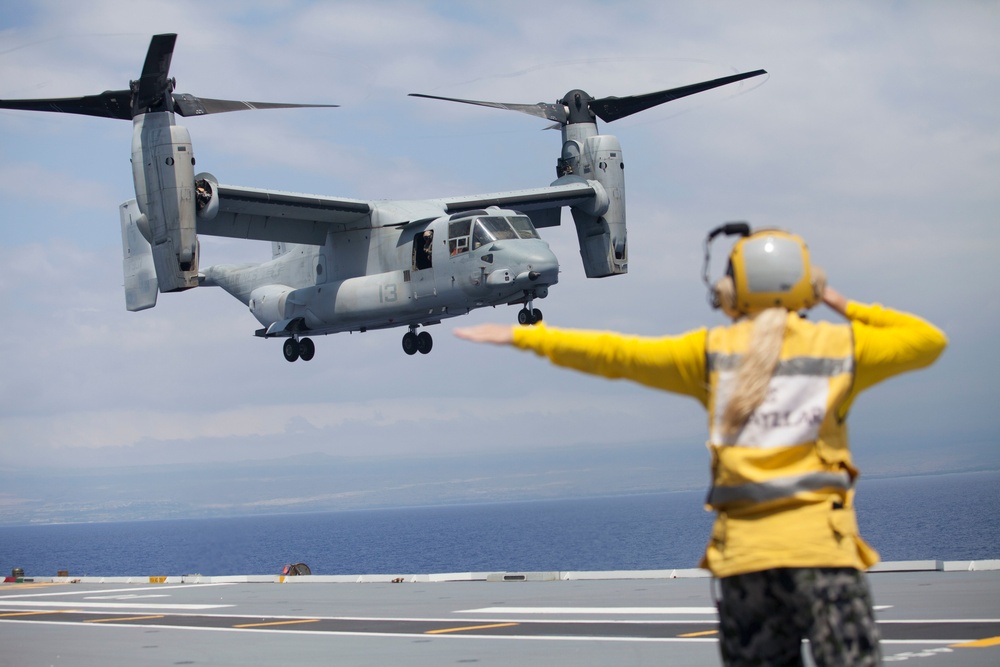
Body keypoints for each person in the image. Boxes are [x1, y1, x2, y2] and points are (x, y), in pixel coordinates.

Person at [454, 227, 947, 667]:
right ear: (805, 286)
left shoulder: (712, 355)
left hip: (746, 567)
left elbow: (616, 354)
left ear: (731, 291)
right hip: (827, 558)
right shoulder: (840, 349)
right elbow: (926, 340)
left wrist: (527, 340)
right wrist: (836, 300)